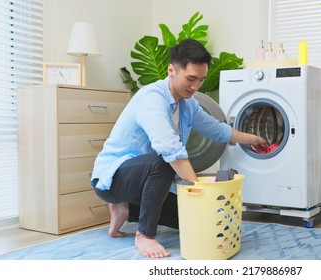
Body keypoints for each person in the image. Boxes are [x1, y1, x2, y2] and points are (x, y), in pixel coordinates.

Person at [90, 38, 267, 259]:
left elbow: (218, 130)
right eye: (191, 79)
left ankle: (125, 208)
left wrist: (253, 139)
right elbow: (169, 149)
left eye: (201, 80)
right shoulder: (152, 98)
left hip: (144, 181)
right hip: (113, 178)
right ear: (171, 70)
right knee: (165, 163)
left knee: (194, 219)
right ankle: (144, 235)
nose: (195, 87)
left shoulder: (188, 103)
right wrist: (198, 191)